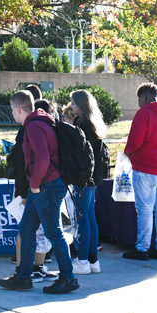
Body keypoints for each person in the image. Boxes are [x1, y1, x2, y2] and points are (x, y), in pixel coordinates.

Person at [0, 90, 79, 294]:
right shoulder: (41, 122)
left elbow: (42, 158)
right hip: (46, 184)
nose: (12, 114)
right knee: (26, 230)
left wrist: (34, 184)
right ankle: (24, 276)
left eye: (12, 110)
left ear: (18, 109)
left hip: (46, 185)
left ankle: (68, 278)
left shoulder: (33, 127)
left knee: (53, 232)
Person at [122, 83, 157, 261]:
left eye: (139, 98)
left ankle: (142, 248)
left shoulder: (144, 113)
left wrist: (127, 154)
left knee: (145, 209)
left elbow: (135, 141)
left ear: (144, 97)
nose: (138, 102)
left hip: (145, 167)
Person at [70, 89, 107, 274]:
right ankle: (92, 260)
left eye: (73, 103)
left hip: (84, 177)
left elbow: (79, 153)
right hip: (93, 178)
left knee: (83, 218)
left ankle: (83, 260)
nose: (71, 106)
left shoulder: (82, 124)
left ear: (81, 105)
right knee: (90, 217)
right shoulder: (94, 123)